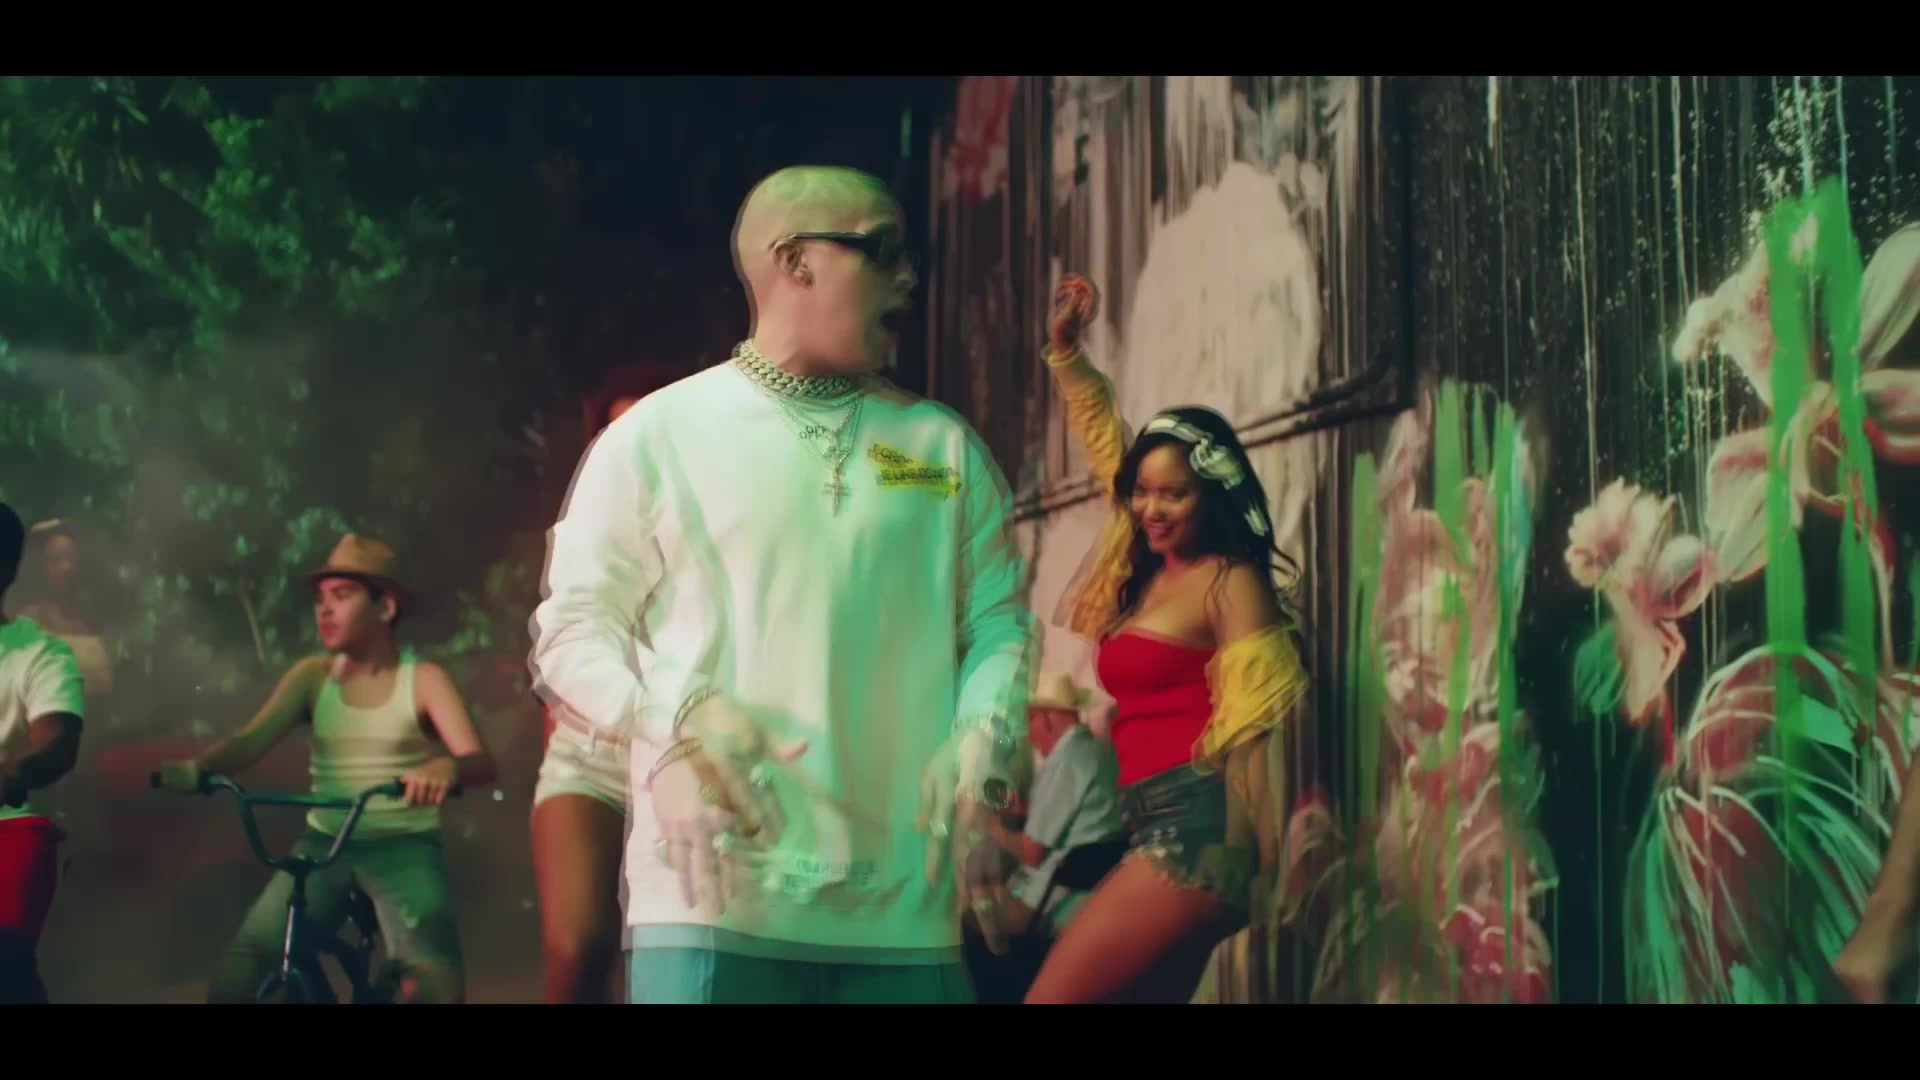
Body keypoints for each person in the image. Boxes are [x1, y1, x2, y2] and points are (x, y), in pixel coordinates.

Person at [531, 164, 1036, 1005]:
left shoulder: (942, 446)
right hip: (713, 898)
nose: (909, 278)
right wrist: (678, 719)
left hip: (905, 906)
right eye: (883, 251)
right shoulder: (657, 435)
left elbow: (997, 623)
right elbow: (575, 630)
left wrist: (986, 735)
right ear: (795, 259)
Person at [1024, 273, 1309, 1004]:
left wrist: (1254, 852)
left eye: (1173, 493)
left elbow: (1251, 729)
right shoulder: (1145, 562)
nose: (1151, 507)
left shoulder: (1227, 582)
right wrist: (1066, 352)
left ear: (1211, 494)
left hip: (1197, 835)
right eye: (1142, 490)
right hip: (1148, 826)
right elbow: (1106, 443)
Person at [156, 534, 497, 1004]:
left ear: (386, 606)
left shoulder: (423, 680)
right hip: (324, 845)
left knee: (434, 985)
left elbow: (479, 762)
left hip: (403, 846)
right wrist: (199, 768)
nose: (324, 611)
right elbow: (250, 740)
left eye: (342, 596)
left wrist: (446, 768)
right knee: (243, 969)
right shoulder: (312, 678)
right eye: (320, 599)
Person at [529, 373, 659, 1004]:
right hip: (590, 763)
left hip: (688, 763)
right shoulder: (582, 533)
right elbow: (560, 660)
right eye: (612, 432)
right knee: (579, 947)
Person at [0, 502, 86, 1004]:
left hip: (8, 828)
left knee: (6, 956)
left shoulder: (41, 652)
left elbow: (57, 742)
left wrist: (14, 772)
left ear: (6, 570)